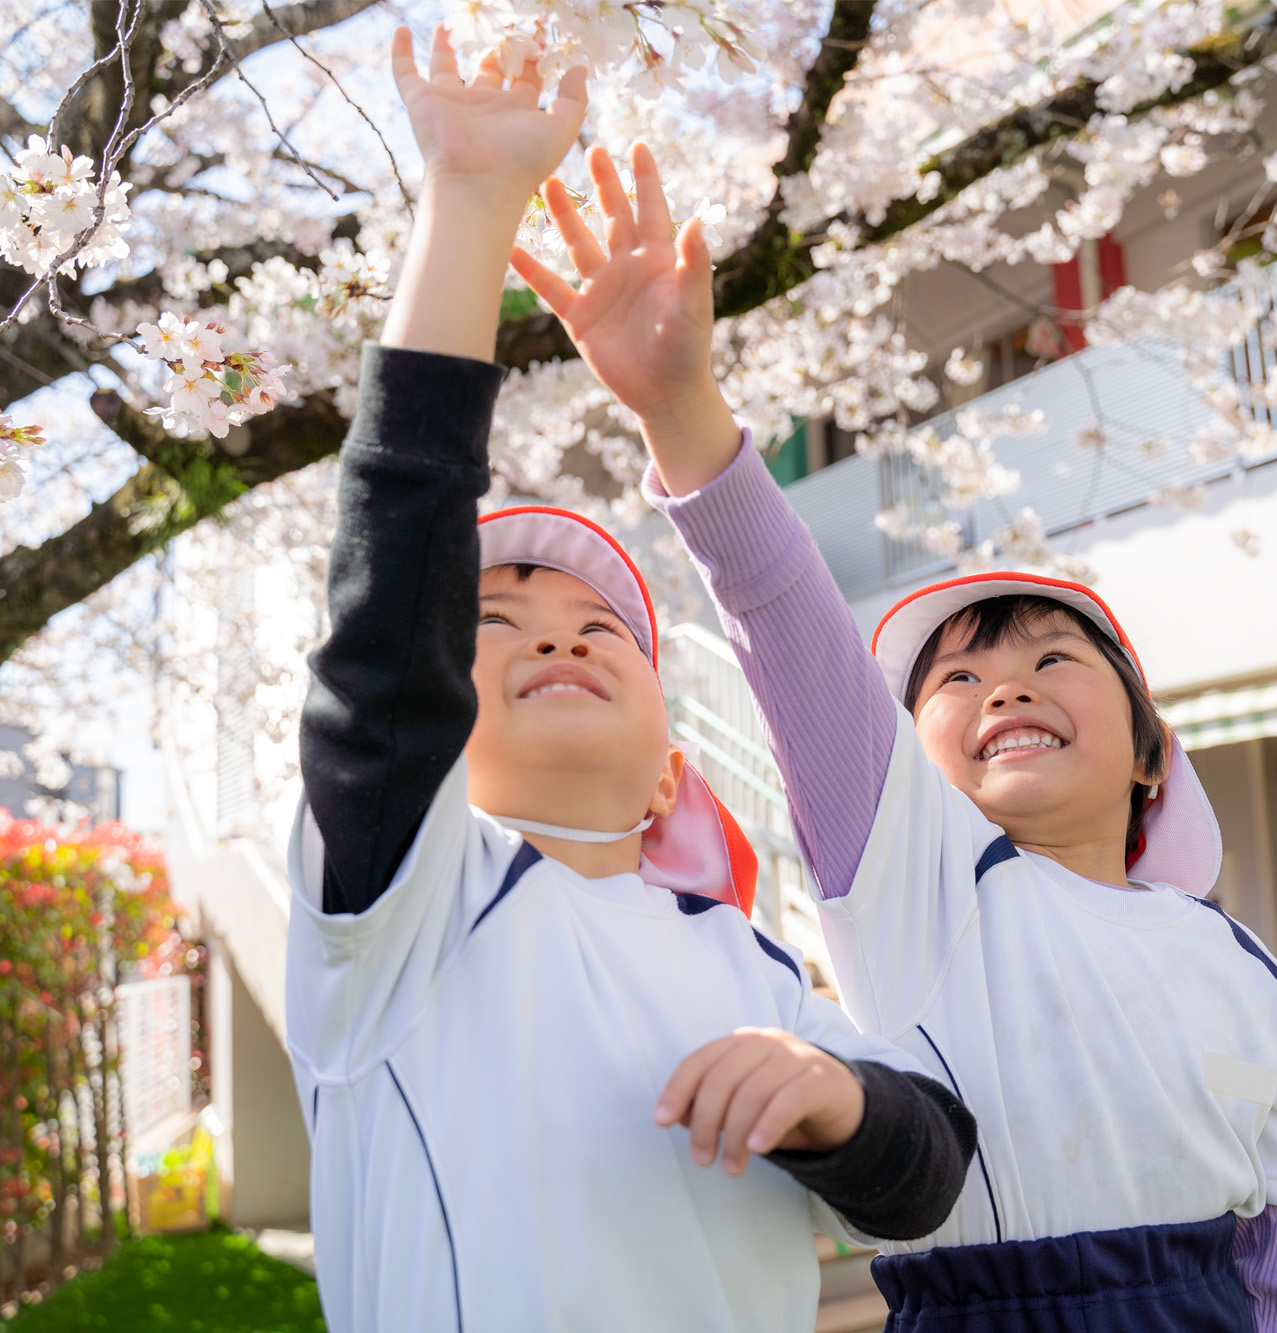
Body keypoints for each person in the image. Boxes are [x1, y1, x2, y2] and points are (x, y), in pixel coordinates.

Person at [512, 141, 1277, 1331]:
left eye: (1051, 659)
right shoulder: (919, 873)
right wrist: (678, 408)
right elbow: (784, 623)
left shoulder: (1237, 963)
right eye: (955, 678)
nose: (1003, 688)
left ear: (1153, 752)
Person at [284, 28, 975, 1332]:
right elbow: (388, 615)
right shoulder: (398, 915)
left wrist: (835, 1098)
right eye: (495, 615)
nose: (561, 633)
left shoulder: (751, 959)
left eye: (606, 623)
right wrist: (473, 204)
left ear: (674, 756)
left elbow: (927, 1164)